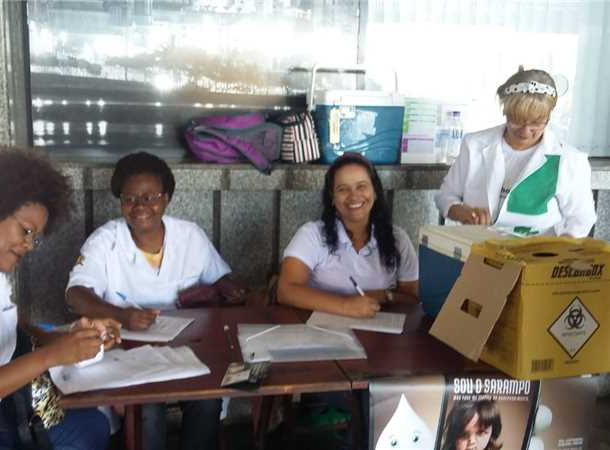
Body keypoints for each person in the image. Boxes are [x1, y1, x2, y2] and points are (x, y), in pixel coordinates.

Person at [65, 151, 243, 450]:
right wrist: (122, 316)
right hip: (127, 351)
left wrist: (232, 289)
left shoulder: (189, 236)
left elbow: (219, 278)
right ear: (120, 200)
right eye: (130, 198)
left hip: (188, 348)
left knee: (207, 400)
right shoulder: (106, 241)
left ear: (167, 198)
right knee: (147, 408)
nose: (140, 207)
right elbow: (75, 295)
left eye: (151, 197)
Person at [0, 147, 120, 450]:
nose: (29, 245)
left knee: (92, 427)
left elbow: (17, 330)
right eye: (26, 231)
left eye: (34, 238)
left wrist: (67, 339)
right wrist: (50, 357)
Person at [435, 67, 596, 237]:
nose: (525, 131)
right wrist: (463, 212)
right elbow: (445, 196)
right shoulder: (474, 145)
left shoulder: (568, 160)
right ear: (505, 111)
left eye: (536, 123)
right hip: (476, 251)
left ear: (549, 116)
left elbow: (581, 218)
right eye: (517, 121)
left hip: (536, 257)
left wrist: (559, 249)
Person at [278, 152, 419, 318]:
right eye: (343, 189)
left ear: (375, 192)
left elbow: (412, 299)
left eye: (361, 186)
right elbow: (286, 290)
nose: (354, 196)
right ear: (332, 197)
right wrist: (345, 306)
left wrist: (384, 296)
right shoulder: (312, 235)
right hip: (320, 333)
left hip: (379, 334)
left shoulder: (398, 239)